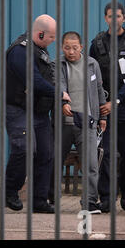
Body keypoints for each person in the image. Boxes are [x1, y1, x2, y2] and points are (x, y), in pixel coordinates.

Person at [5, 14, 70, 214]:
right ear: (40, 33)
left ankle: (39, 200)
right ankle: (10, 191)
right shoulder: (20, 51)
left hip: (39, 112)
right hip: (19, 110)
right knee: (25, 149)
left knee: (45, 153)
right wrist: (59, 93)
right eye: (51, 37)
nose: (53, 41)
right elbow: (33, 80)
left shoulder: (40, 50)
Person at [48, 31, 107, 214]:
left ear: (81, 47)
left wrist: (102, 117)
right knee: (55, 162)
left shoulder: (92, 64)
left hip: (87, 122)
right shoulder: (57, 64)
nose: (71, 51)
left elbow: (99, 90)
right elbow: (59, 85)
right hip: (64, 122)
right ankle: (51, 199)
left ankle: (89, 202)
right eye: (67, 47)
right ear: (61, 47)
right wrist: (64, 103)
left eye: (74, 48)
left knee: (90, 164)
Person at [90, 2, 125, 213]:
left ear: (124, 17)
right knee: (105, 153)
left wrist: (117, 100)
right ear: (105, 18)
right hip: (104, 105)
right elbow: (91, 75)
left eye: (118, 16)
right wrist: (100, 103)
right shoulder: (97, 43)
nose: (114, 19)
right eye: (110, 16)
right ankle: (107, 198)